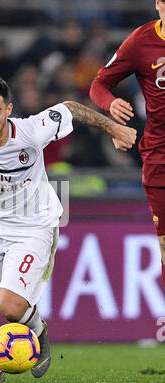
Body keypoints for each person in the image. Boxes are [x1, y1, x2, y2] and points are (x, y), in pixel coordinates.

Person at [0, 75, 136, 383]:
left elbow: (71, 109)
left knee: (10, 306)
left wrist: (114, 127)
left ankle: (38, 329)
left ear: (9, 109)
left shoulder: (31, 131)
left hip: (34, 225)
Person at [90, 0, 165, 284]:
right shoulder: (140, 42)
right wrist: (110, 104)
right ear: (158, 3)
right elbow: (98, 84)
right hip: (160, 160)